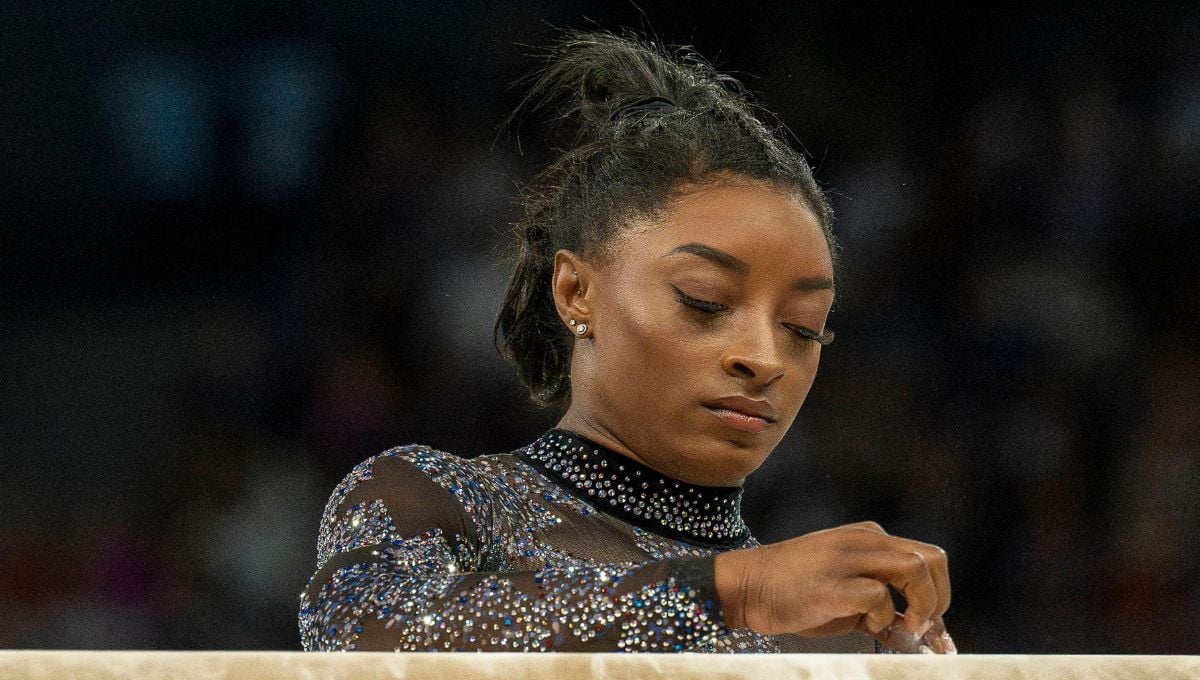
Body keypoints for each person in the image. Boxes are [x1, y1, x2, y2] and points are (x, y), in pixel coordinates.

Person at [298, 29, 955, 655]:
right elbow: (369, 633)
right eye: (704, 301)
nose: (764, 359)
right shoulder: (446, 502)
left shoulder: (834, 630)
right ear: (576, 292)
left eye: (803, 327)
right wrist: (736, 590)